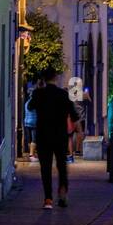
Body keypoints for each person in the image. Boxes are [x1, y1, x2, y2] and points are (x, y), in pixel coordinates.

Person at [28, 70, 77, 209]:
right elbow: (73, 115)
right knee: (62, 166)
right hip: (60, 136)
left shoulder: (39, 94)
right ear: (56, 78)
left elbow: (30, 107)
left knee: (45, 168)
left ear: (43, 79)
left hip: (43, 136)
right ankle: (62, 192)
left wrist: (37, 90)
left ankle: (48, 199)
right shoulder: (63, 94)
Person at [23, 80, 40, 161]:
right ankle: (31, 155)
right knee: (34, 139)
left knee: (30, 140)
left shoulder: (27, 103)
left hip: (27, 122)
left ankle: (31, 154)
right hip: (34, 123)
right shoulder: (35, 103)